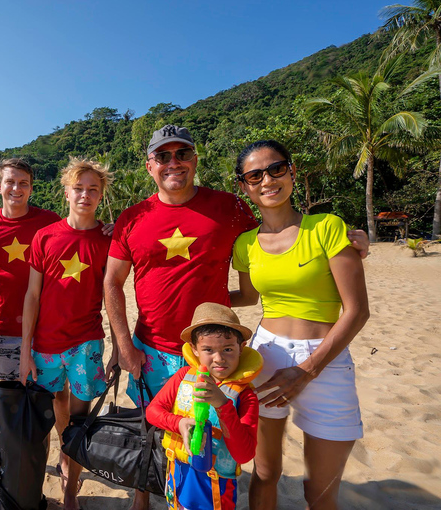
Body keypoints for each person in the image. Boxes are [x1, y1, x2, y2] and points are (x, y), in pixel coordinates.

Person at [104, 125, 370, 510]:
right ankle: (142, 501)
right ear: (149, 166)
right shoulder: (132, 216)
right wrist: (122, 344)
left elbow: (279, 232)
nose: (173, 163)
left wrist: (353, 242)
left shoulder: (231, 208)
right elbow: (112, 282)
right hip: (152, 348)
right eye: (163, 156)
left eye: (182, 154)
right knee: (155, 431)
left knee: (223, 444)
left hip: (217, 351)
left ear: (195, 160)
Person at [230, 140, 369, 510]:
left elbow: (356, 311)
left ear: (291, 171)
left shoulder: (327, 227)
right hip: (265, 356)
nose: (267, 181)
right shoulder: (245, 244)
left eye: (276, 169)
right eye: (254, 175)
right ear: (244, 187)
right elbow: (247, 298)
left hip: (325, 359)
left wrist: (307, 370)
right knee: (264, 474)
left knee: (319, 493)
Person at [20, 157, 115, 510]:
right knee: (57, 405)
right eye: (79, 188)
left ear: (101, 195)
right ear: (66, 192)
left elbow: (115, 293)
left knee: (80, 416)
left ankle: (71, 490)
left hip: (86, 342)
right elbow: (32, 295)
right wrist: (26, 350)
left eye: (93, 190)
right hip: (45, 344)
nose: (85, 196)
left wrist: (119, 346)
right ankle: (64, 451)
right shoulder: (44, 237)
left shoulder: (110, 239)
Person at [147, 303, 262, 510]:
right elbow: (153, 412)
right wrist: (180, 423)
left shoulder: (246, 396)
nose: (219, 359)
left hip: (216, 486)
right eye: (208, 350)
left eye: (228, 349)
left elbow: (244, 455)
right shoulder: (183, 377)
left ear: (241, 348)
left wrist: (223, 405)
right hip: (178, 474)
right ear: (195, 350)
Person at [0, 158, 61, 381]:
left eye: (23, 183)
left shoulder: (50, 222)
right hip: (3, 326)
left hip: (47, 326)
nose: (16, 188)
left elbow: (80, 236)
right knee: (10, 399)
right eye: (10, 182)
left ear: (31, 189)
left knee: (54, 396)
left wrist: (108, 229)